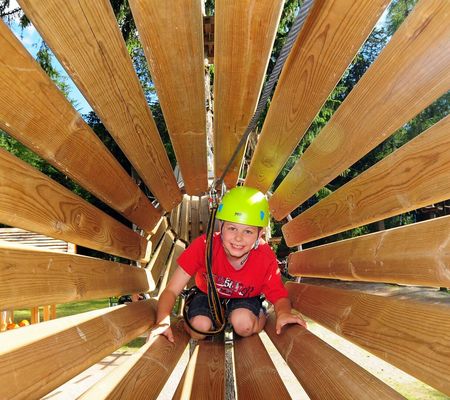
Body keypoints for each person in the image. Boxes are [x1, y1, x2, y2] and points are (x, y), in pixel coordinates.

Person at [152, 186, 306, 342]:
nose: (238, 238)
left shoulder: (264, 256)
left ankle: (258, 314)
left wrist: (284, 313)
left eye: (248, 231)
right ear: (221, 226)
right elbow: (171, 290)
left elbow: (280, 296)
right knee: (199, 328)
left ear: (260, 234)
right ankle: (202, 320)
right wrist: (162, 321)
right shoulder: (204, 246)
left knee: (243, 324)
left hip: (246, 298)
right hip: (207, 295)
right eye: (232, 228)